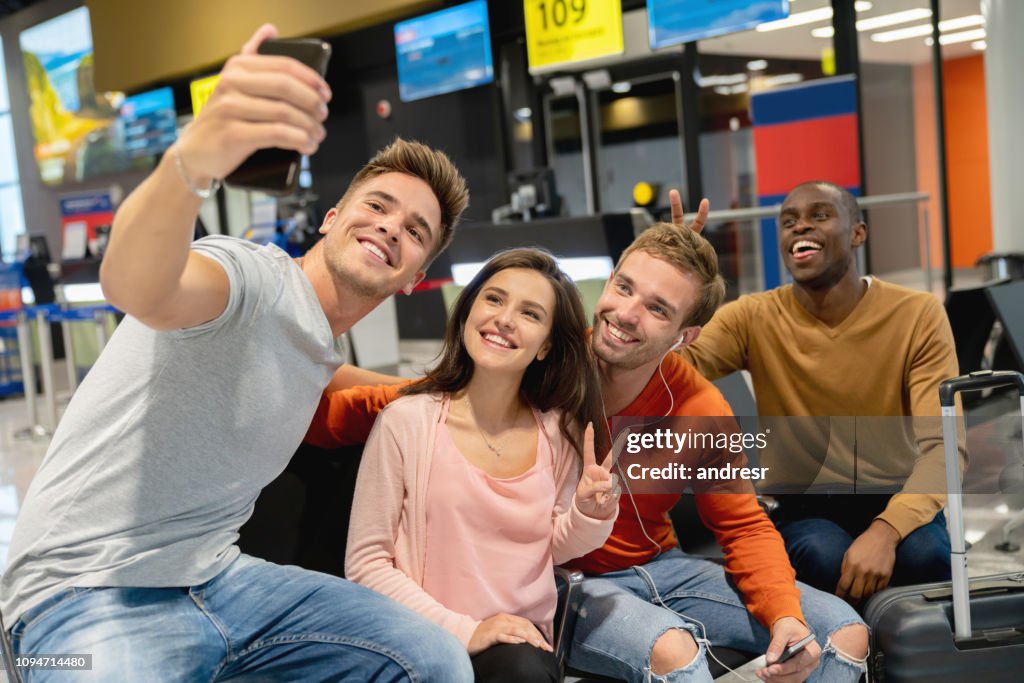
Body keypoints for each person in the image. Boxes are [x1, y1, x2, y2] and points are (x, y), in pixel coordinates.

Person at [0, 24, 473, 682]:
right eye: (378, 205)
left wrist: (450, 391)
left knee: (434, 659)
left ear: (416, 275)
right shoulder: (249, 276)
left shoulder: (312, 340)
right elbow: (137, 285)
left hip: (221, 583)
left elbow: (333, 374)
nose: (392, 225)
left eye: (415, 230)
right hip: (80, 594)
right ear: (333, 218)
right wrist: (193, 159)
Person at [307, 205, 869, 683]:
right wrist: (287, 393)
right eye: (624, 287)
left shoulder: (701, 409)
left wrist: (785, 614)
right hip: (566, 578)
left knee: (846, 630)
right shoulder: (544, 361)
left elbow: (744, 526)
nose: (625, 313)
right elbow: (426, 396)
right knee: (676, 652)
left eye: (657, 308)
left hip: (665, 564)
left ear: (686, 336)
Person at [679, 181, 961, 605]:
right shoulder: (752, 316)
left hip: (898, 494)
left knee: (926, 557)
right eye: (788, 221)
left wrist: (886, 530)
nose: (800, 227)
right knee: (823, 557)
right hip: (805, 506)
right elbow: (668, 369)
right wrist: (672, 276)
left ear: (857, 233)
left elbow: (946, 447)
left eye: (819, 215)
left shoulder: (916, 314)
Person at [345, 248, 619, 683]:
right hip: (423, 640)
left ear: (547, 344)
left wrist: (590, 513)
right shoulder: (406, 421)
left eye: (530, 313)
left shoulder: (558, 431)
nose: (505, 318)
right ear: (468, 309)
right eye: (493, 299)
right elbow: (366, 565)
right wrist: (467, 631)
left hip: (518, 650)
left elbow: (550, 549)